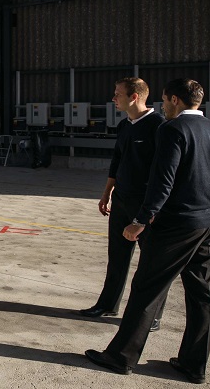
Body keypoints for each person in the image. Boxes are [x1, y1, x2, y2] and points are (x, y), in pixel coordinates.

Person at [85, 79, 210, 384]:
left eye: (165, 101)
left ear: (176, 101)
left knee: (146, 288)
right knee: (202, 295)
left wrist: (141, 218)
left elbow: (161, 182)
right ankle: (194, 365)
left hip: (180, 224)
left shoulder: (172, 130)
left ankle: (120, 356)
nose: (162, 107)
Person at [77, 78, 166, 333]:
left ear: (134, 97)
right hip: (121, 200)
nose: (113, 98)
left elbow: (164, 171)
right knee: (116, 257)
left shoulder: (158, 126)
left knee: (151, 263)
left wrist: (153, 208)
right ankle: (108, 304)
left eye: (118, 94)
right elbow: (116, 161)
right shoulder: (124, 126)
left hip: (145, 204)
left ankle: (153, 315)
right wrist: (106, 193)